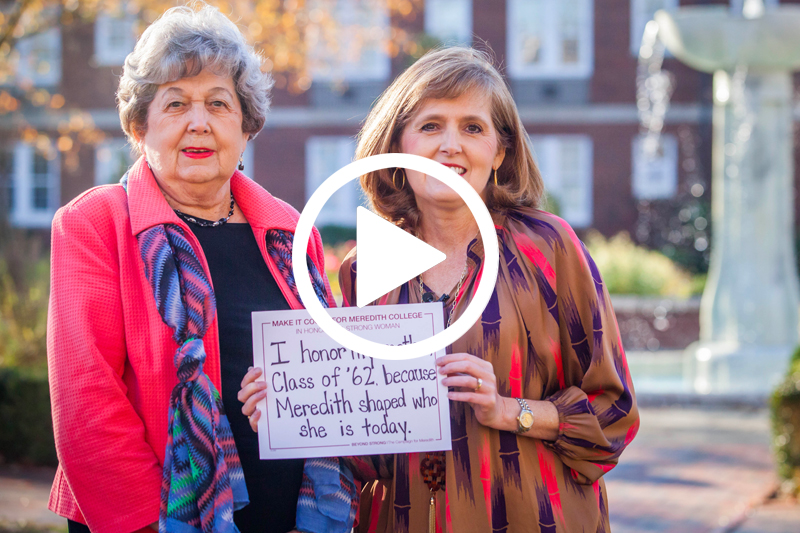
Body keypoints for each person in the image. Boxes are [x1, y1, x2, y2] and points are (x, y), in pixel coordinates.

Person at [240, 47, 639, 532]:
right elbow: (371, 454)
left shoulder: (548, 249)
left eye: (472, 127)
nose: (451, 145)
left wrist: (511, 411)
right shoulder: (364, 270)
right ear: (398, 146)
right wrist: (293, 411)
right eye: (430, 126)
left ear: (500, 152)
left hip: (534, 518)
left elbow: (614, 414)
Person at [46, 5, 354, 533]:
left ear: (245, 125)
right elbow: (87, 403)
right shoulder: (94, 223)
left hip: (288, 513)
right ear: (141, 125)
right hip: (153, 518)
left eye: (218, 102)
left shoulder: (288, 228)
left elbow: (323, 370)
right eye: (176, 103)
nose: (199, 122)